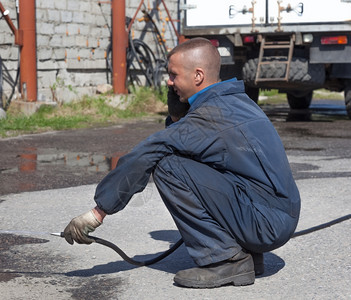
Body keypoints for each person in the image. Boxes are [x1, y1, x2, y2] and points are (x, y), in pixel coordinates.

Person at [63, 38, 301, 288]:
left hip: (265, 223)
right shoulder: (234, 103)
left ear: (198, 75)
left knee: (167, 165)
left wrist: (97, 213)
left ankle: (226, 261)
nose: (168, 82)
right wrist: (178, 111)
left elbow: (148, 152)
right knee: (185, 158)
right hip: (275, 216)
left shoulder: (210, 116)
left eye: (173, 75)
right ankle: (248, 255)